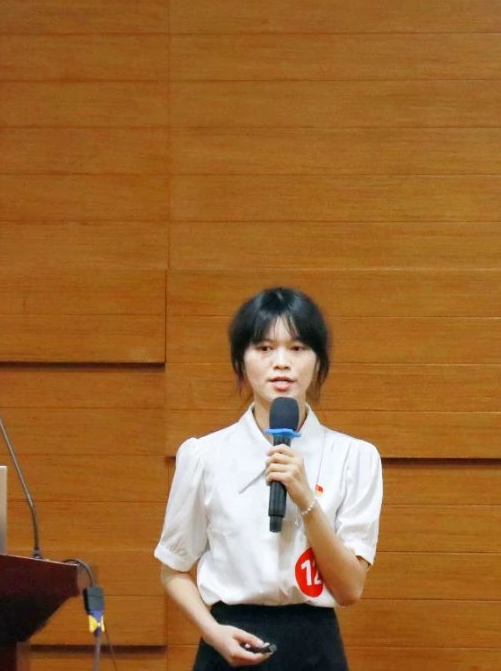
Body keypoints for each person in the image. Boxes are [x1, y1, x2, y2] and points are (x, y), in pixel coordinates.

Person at [155, 287, 383, 669]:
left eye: (297, 348)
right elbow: (173, 568)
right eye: (264, 348)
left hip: (314, 647)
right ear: (241, 361)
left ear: (318, 361)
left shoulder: (354, 458)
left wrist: (307, 501)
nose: (281, 363)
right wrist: (212, 632)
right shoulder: (204, 455)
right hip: (227, 642)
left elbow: (350, 589)